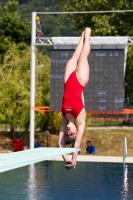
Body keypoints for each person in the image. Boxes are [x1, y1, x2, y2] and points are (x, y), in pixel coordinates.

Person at [57, 27, 91, 170]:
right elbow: (77, 144)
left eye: (68, 134)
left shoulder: (64, 121)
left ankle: (81, 36)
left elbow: (60, 144)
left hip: (67, 79)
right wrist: (73, 160)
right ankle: (87, 36)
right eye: (72, 134)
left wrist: (66, 160)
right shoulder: (80, 121)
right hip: (80, 80)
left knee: (75, 54)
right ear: (76, 132)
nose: (69, 132)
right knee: (83, 55)